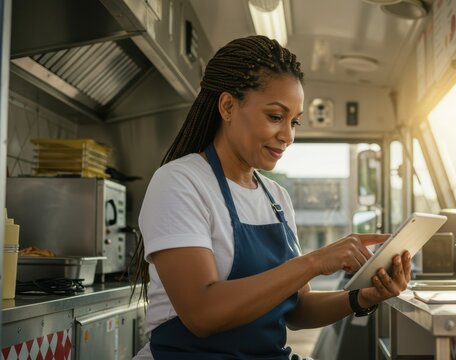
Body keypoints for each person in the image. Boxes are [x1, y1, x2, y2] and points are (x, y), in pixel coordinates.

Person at [132, 35, 411, 359]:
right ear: (228, 106)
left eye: (294, 122)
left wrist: (361, 297)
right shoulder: (180, 182)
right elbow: (202, 314)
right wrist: (315, 261)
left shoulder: (275, 196)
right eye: (275, 117)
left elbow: (297, 309)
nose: (288, 136)